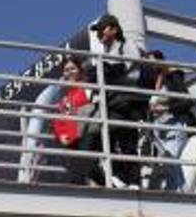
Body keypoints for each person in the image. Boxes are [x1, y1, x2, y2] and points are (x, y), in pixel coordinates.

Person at [88, 13, 146, 186]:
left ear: (113, 29)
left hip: (126, 101)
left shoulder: (126, 45)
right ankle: (122, 178)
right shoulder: (104, 53)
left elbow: (131, 68)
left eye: (102, 30)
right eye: (97, 32)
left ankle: (134, 182)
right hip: (112, 102)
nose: (99, 35)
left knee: (127, 143)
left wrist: (108, 71)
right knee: (106, 143)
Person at [141, 49, 196, 191]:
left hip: (176, 124)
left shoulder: (172, 76)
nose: (149, 64)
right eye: (146, 62)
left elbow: (187, 101)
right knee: (169, 163)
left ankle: (181, 194)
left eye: (151, 60)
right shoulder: (154, 81)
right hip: (161, 130)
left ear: (160, 60)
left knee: (169, 159)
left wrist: (165, 109)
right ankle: (181, 193)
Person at [48, 56, 103, 186]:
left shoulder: (87, 88)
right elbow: (58, 120)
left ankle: (109, 183)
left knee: (83, 167)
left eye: (72, 68)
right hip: (71, 140)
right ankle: (107, 183)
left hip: (88, 134)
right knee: (79, 169)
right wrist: (61, 135)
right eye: (66, 70)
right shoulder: (64, 98)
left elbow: (99, 107)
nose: (69, 72)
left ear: (79, 70)